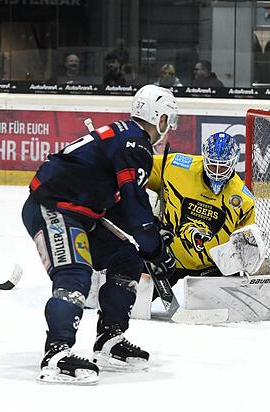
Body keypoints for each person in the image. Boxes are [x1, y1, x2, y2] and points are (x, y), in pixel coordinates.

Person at [21, 84, 178, 385]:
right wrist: (155, 246)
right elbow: (134, 203)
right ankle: (56, 353)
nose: (168, 129)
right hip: (53, 208)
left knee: (127, 258)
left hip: (81, 213)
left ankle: (109, 340)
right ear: (159, 119)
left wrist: (148, 245)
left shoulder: (127, 137)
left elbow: (121, 206)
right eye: (168, 122)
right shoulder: (137, 145)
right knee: (75, 273)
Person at [147, 132, 255, 289]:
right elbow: (138, 166)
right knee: (133, 298)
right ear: (204, 158)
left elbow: (244, 244)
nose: (217, 173)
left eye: (223, 167)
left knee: (217, 312)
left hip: (211, 270)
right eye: (212, 165)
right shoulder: (176, 166)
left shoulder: (243, 199)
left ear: (234, 163)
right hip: (167, 260)